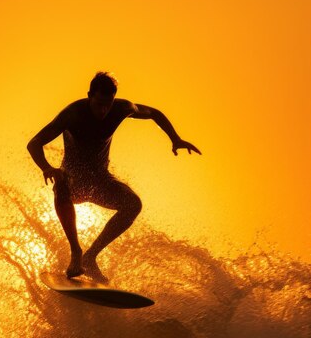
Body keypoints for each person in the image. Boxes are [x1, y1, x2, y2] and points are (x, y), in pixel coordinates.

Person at [27, 72, 201, 283]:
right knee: (61, 182)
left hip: (100, 181)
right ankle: (76, 253)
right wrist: (48, 168)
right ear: (90, 95)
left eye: (107, 105)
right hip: (74, 182)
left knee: (133, 204)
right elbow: (34, 143)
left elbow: (154, 113)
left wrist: (175, 138)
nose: (103, 110)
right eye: (99, 103)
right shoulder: (72, 114)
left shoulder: (121, 108)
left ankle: (91, 256)